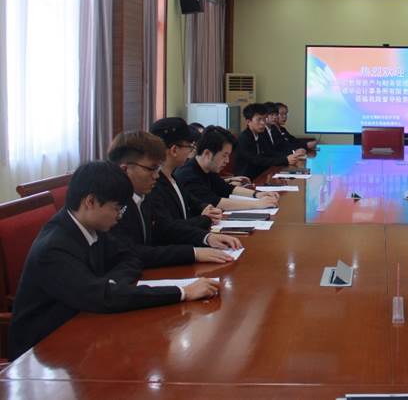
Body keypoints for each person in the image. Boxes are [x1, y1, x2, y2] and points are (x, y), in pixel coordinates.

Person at [8, 162, 219, 360]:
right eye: (117, 208)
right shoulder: (54, 247)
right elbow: (101, 297)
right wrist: (182, 292)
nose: (119, 217)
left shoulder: (91, 224)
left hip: (87, 321)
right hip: (44, 348)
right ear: (90, 202)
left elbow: (130, 257)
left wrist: (110, 285)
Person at [108, 131, 241, 268]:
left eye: (158, 169)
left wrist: (207, 238)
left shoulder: (143, 196)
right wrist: (193, 253)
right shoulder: (111, 204)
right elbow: (131, 252)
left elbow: (166, 227)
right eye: (151, 169)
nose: (156, 176)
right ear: (125, 169)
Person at [174, 125, 280, 211]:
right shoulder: (188, 176)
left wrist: (258, 194)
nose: (227, 161)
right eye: (224, 155)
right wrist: (257, 204)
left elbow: (226, 189)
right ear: (207, 154)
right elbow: (216, 203)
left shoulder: (207, 169)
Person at [145, 117, 223, 230]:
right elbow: (168, 227)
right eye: (189, 146)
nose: (191, 152)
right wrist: (205, 219)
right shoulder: (153, 184)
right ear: (174, 150)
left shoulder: (173, 177)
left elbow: (191, 201)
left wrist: (205, 208)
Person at [237, 103, 304, 179]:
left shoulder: (260, 135)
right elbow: (256, 160)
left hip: (262, 174)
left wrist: (289, 157)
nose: (263, 123)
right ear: (248, 121)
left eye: (264, 119)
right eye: (259, 119)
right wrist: (285, 160)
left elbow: (270, 153)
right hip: (247, 178)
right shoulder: (244, 138)